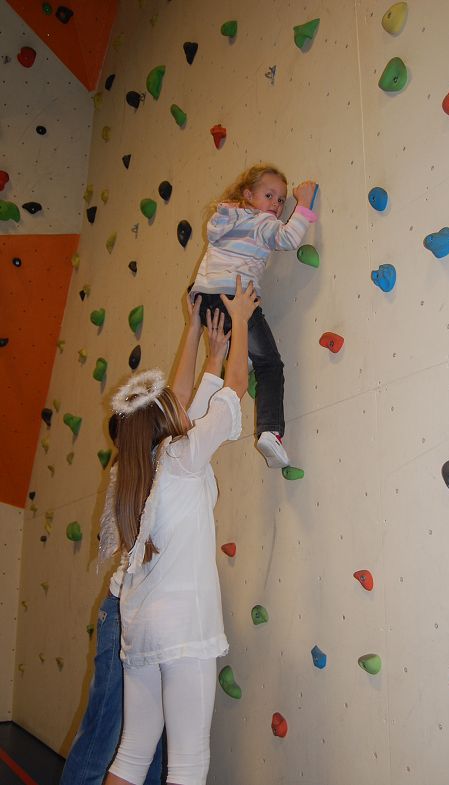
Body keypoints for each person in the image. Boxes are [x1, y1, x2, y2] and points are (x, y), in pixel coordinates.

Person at [103, 276, 258, 785]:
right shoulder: (181, 458)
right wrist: (240, 321)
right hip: (183, 628)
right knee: (188, 765)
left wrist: (209, 348)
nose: (179, 402)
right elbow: (234, 391)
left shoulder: (138, 472)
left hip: (141, 629)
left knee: (131, 755)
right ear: (163, 420)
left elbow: (191, 401)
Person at [190, 163, 317, 469]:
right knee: (270, 365)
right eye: (269, 196)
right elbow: (288, 239)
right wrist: (303, 204)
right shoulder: (260, 220)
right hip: (235, 296)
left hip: (205, 300)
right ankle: (270, 431)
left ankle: (241, 354)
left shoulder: (225, 219)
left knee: (244, 345)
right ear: (248, 195)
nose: (276, 205)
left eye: (281, 200)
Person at [59, 418, 163, 785]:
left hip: (151, 615)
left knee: (152, 739)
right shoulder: (131, 474)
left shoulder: (156, 464)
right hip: (123, 611)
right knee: (105, 726)